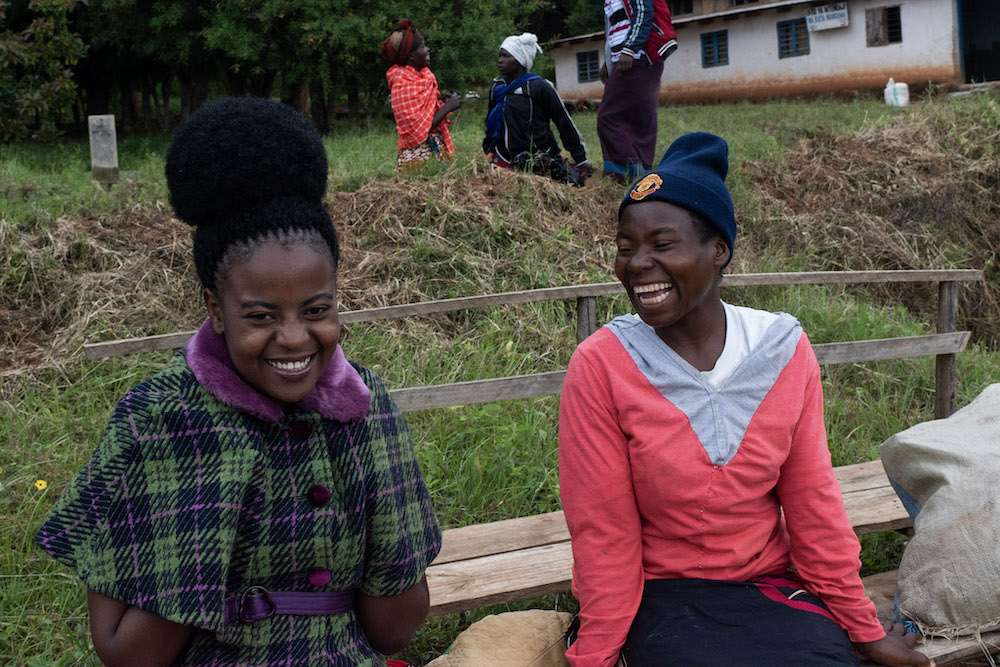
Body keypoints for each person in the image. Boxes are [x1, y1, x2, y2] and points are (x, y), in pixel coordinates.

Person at [34, 97, 441, 666]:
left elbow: (394, 631)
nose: (295, 339)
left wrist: (381, 485)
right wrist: (206, 507)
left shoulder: (365, 410)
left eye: (317, 310)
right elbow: (126, 654)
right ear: (215, 309)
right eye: (261, 316)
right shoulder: (160, 421)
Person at [558, 132, 934, 667]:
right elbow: (603, 533)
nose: (637, 264)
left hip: (768, 585)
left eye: (662, 245)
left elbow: (813, 502)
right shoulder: (603, 366)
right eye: (626, 247)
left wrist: (862, 627)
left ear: (719, 250)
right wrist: (594, 656)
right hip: (663, 595)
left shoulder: (780, 351)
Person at [482, 32, 593, 186]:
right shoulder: (498, 87)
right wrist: (490, 148)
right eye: (500, 56)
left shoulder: (539, 87)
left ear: (520, 60)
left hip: (538, 160)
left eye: (506, 56)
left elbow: (563, 121)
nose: (500, 61)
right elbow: (492, 123)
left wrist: (580, 159)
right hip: (505, 159)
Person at [597, 0, 677, 182]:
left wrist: (630, 49)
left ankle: (625, 175)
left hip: (637, 58)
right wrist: (609, 61)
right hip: (630, 58)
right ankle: (642, 173)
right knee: (638, 118)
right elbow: (614, 29)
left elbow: (643, 12)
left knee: (608, 117)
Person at [381, 19, 462, 172]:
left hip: (433, 153)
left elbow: (425, 115)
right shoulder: (402, 83)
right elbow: (418, 129)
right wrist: (447, 108)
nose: (428, 49)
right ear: (411, 56)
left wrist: (443, 102)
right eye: (423, 47)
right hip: (415, 160)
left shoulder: (424, 78)